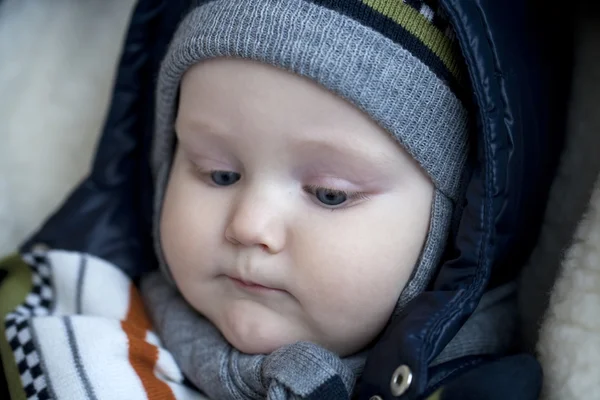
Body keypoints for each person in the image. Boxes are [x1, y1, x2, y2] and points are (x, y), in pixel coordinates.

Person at [0, 1, 572, 399]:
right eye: (218, 174)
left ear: (453, 229)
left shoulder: (471, 390)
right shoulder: (59, 317)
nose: (250, 226)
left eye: (328, 194)